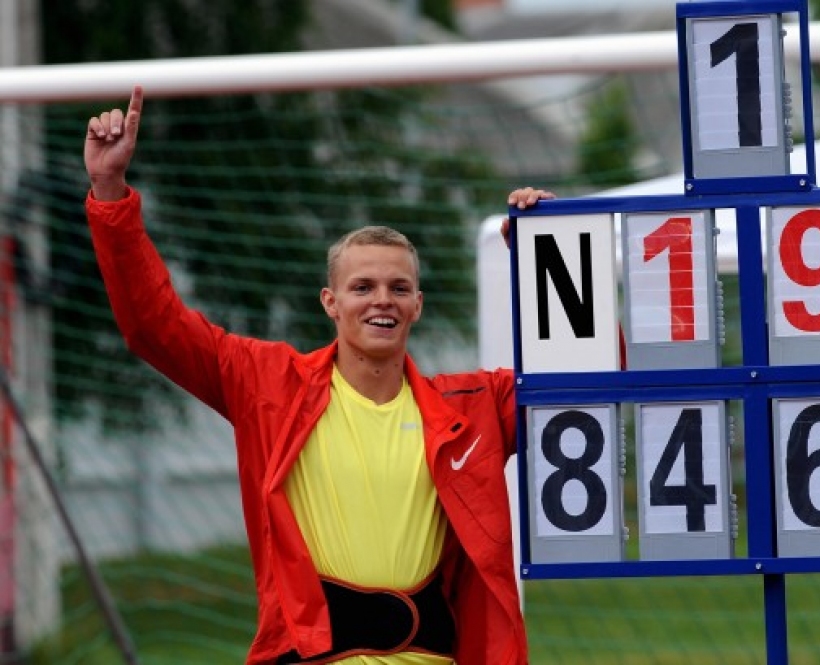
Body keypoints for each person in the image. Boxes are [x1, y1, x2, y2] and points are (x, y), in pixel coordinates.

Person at [83, 85, 555, 665]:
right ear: (331, 302)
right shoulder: (266, 383)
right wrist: (110, 192)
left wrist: (548, 253)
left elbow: (590, 384)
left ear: (418, 304)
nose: (381, 301)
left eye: (398, 288)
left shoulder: (476, 406)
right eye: (363, 287)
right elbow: (154, 327)